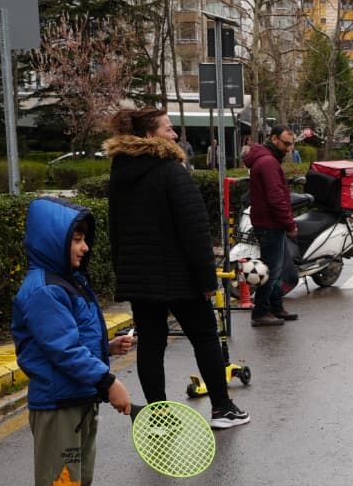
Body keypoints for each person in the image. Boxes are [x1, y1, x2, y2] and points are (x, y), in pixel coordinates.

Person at [12, 198, 134, 486]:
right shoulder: (43, 291)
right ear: (52, 240)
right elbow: (62, 351)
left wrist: (108, 348)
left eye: (85, 239)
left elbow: (74, 340)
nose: (84, 247)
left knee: (79, 481)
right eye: (76, 239)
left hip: (79, 399)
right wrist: (108, 382)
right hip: (58, 404)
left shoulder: (67, 282)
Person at [105, 107, 249, 430]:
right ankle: (222, 408)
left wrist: (123, 273)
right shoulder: (172, 171)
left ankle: (158, 418)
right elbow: (194, 229)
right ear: (150, 135)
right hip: (180, 276)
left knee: (152, 344)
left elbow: (115, 229)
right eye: (168, 129)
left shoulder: (121, 172)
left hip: (141, 277)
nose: (175, 135)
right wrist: (207, 278)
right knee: (205, 336)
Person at [245, 125, 299, 327]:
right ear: (274, 139)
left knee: (277, 269)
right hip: (270, 224)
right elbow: (276, 198)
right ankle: (260, 312)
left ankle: (276, 307)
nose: (288, 148)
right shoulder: (268, 162)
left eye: (291, 144)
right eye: (286, 143)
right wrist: (290, 224)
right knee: (272, 271)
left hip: (268, 223)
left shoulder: (267, 159)